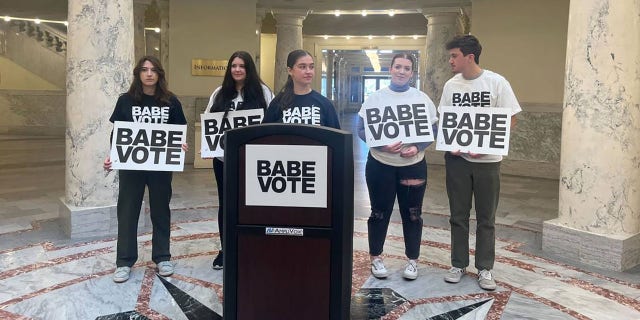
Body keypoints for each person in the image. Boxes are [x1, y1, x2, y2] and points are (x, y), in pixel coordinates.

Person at [439, 35, 521, 290]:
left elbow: (512, 119)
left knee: (486, 217)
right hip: (457, 161)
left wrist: (485, 145)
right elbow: (445, 120)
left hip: (488, 162)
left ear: (469, 57)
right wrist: (453, 143)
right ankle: (458, 263)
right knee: (458, 215)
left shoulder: (497, 83)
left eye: (454, 55)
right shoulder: (451, 86)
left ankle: (485, 268)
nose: (450, 60)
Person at [103, 56, 188, 283]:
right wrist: (112, 154)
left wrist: (180, 145)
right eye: (144, 69)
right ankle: (124, 261)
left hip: (160, 167)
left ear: (159, 74)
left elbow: (179, 131)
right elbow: (117, 133)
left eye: (153, 70)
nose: (149, 74)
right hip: (132, 166)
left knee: (161, 210)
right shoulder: (126, 101)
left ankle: (162, 257)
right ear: (138, 74)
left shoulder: (171, 102)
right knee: (128, 211)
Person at [357, 53, 438, 280]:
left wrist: (418, 146)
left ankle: (412, 260)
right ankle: (376, 257)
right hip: (380, 165)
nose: (402, 71)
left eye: (407, 68)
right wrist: (382, 146)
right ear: (390, 69)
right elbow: (361, 129)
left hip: (412, 165)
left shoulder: (422, 99)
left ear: (412, 73)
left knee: (412, 214)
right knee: (378, 212)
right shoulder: (375, 98)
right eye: (398, 67)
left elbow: (433, 129)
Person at [205, 51, 274, 270]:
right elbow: (210, 122)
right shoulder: (219, 93)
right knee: (226, 204)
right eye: (233, 65)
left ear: (249, 68)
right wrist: (207, 146)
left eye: (242, 66)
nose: (237, 69)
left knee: (253, 204)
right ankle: (226, 249)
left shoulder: (263, 92)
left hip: (252, 160)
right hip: (223, 160)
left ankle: (252, 246)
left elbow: (272, 123)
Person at [263, 49, 341, 129]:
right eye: (302, 67)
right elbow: (264, 135)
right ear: (290, 71)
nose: (308, 71)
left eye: (311, 67)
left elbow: (337, 137)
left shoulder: (324, 104)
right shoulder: (278, 102)